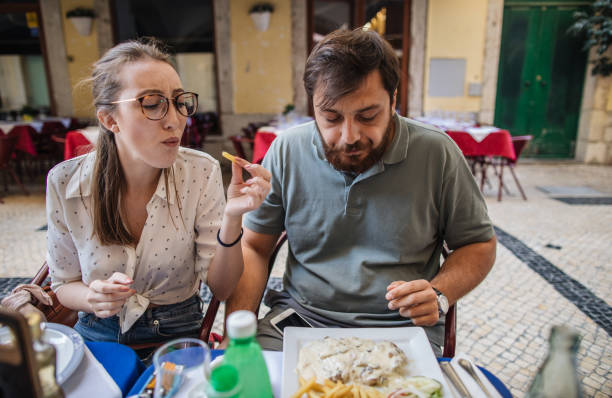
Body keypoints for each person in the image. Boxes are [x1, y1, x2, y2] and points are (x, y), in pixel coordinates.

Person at [224, 29, 496, 355]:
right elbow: (254, 246)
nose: (348, 136)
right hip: (301, 319)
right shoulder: (287, 150)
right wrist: (237, 331)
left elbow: (478, 244)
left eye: (367, 116)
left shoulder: (437, 152)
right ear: (312, 106)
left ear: (394, 100)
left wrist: (439, 293)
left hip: (401, 327)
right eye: (331, 117)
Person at [45, 39, 270, 350]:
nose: (174, 119)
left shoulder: (200, 171)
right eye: (152, 104)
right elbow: (63, 285)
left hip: (178, 331)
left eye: (179, 102)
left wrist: (233, 218)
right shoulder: (65, 182)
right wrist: (91, 297)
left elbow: (221, 288)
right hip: (98, 333)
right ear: (110, 120)